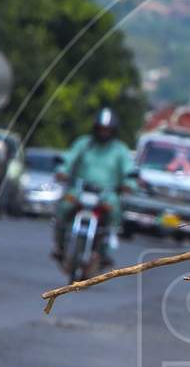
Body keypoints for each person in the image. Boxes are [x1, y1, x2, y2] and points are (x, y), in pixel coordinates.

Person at [52, 107, 134, 262]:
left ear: (113, 131)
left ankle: (104, 250)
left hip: (106, 194)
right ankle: (60, 244)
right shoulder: (84, 143)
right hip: (79, 190)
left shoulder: (120, 150)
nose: (104, 133)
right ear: (95, 128)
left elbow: (129, 170)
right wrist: (62, 171)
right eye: (101, 129)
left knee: (114, 210)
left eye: (107, 130)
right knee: (64, 206)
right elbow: (68, 159)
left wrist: (129, 183)